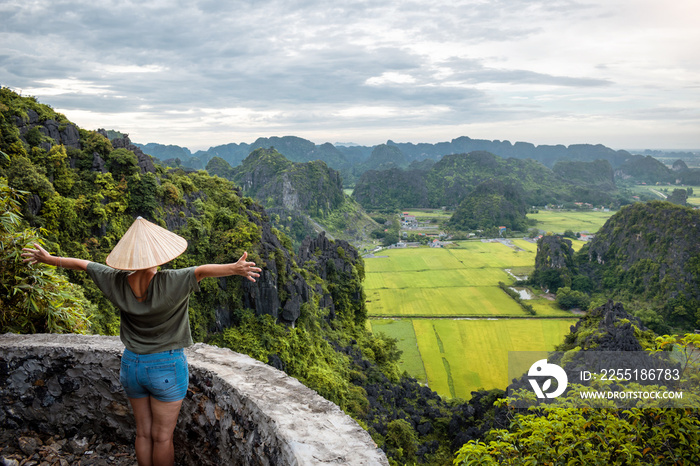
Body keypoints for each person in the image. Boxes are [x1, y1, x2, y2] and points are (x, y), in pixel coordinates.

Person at [22, 216, 262, 466]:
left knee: (144, 433)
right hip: (166, 366)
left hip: (131, 366)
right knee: (162, 437)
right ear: (159, 256)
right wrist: (234, 268)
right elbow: (201, 271)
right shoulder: (172, 281)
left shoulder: (115, 280)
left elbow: (84, 265)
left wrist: (49, 259)